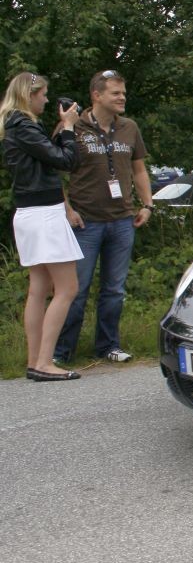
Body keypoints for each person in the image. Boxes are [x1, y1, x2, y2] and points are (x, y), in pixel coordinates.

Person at [54, 69, 154, 364]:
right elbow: (52, 173)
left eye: (124, 93)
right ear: (96, 95)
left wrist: (147, 205)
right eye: (116, 93)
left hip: (122, 220)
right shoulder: (72, 126)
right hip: (85, 221)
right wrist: (67, 209)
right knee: (76, 289)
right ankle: (62, 352)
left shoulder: (129, 127)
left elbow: (139, 169)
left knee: (114, 289)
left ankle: (108, 345)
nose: (122, 98)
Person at [1, 72, 83, 381]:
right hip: (45, 214)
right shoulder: (24, 126)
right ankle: (45, 362)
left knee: (39, 289)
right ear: (29, 95)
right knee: (67, 288)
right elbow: (66, 161)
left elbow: (48, 158)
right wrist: (70, 128)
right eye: (43, 94)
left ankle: (35, 359)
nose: (47, 100)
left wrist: (62, 131)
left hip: (29, 212)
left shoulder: (15, 127)